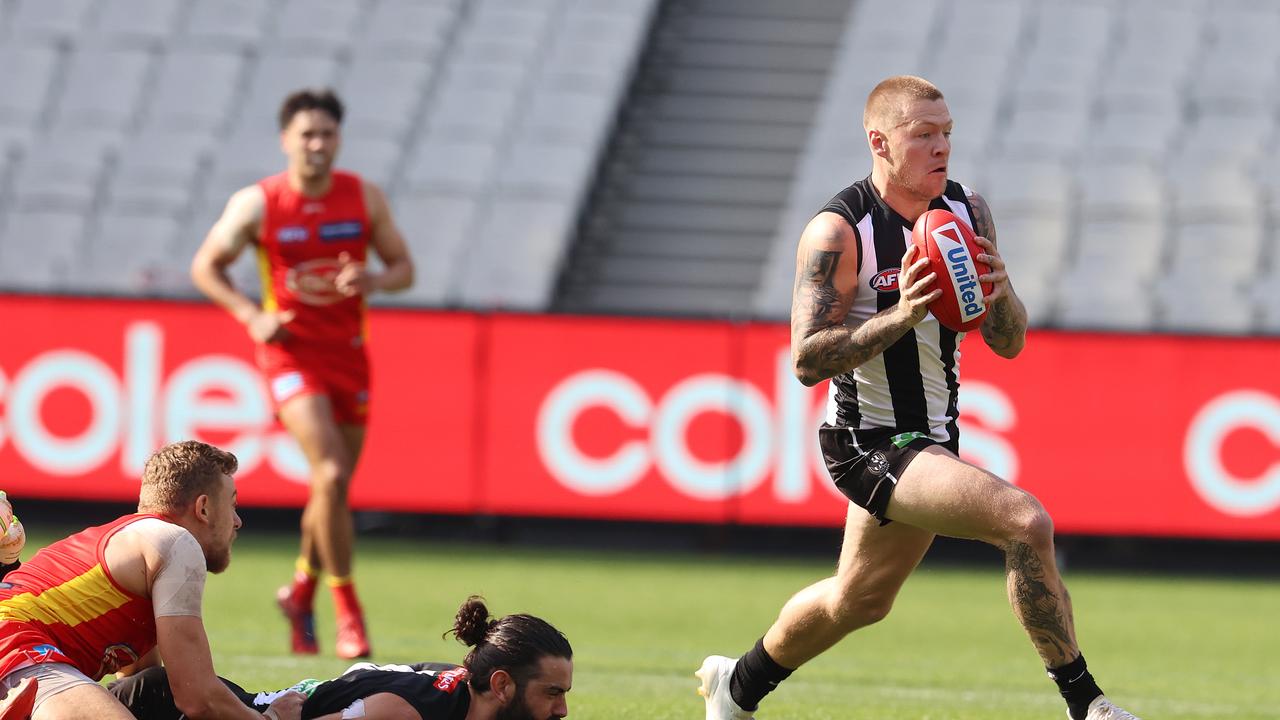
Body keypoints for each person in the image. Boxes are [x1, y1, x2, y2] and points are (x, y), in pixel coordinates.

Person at [696, 76, 1140, 720]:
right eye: (924, 134)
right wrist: (902, 315)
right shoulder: (838, 231)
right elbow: (805, 360)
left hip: (931, 437)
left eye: (948, 133)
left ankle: (736, 688)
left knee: (859, 600)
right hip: (868, 441)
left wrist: (1003, 290)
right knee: (1025, 522)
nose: (942, 148)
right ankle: (1088, 705)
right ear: (880, 141)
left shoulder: (966, 210)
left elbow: (1008, 342)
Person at [191, 88, 415, 659]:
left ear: (339, 139)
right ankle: (348, 613)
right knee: (334, 473)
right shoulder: (260, 203)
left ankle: (300, 590)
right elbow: (206, 266)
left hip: (349, 355)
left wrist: (373, 281)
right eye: (307, 134)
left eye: (327, 134)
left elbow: (404, 269)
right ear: (286, 139)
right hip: (291, 356)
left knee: (329, 487)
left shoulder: (363, 197)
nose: (317, 144)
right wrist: (250, 315)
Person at [0, 442, 304, 720]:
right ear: (203, 508)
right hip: (17, 650)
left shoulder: (135, 552)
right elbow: (197, 697)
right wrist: (270, 718)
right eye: (233, 505)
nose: (238, 521)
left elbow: (145, 683)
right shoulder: (176, 543)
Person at [110, 596, 573, 720]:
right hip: (167, 707)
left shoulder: (464, 690)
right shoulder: (406, 712)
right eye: (552, 693)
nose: (563, 710)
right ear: (501, 685)